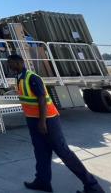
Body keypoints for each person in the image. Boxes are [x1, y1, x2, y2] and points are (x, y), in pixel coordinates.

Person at [6, 54, 104, 193]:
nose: (9, 66)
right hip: (33, 120)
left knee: (63, 152)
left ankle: (93, 187)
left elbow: (42, 100)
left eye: (10, 63)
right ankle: (42, 182)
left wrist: (42, 122)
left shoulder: (32, 77)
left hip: (47, 120)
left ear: (19, 63)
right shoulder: (19, 78)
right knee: (41, 153)